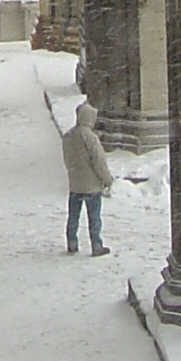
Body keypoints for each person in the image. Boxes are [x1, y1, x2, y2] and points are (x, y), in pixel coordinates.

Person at [46, 89, 113, 255]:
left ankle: (72, 242)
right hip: (92, 186)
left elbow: (68, 159)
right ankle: (96, 245)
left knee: (73, 216)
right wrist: (107, 179)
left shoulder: (69, 136)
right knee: (94, 218)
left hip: (75, 184)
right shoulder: (90, 137)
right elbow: (99, 161)